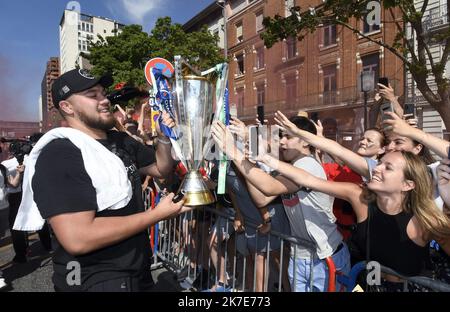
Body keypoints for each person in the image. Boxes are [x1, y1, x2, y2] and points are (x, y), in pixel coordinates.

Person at [13, 69, 189, 292]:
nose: (104, 100)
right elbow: (78, 238)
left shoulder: (121, 140)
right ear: (67, 107)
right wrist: (157, 215)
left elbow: (161, 169)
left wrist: (163, 137)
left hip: (137, 272)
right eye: (92, 95)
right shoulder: (60, 154)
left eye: (103, 93)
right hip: (94, 280)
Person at [212, 116, 351, 292]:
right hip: (300, 257)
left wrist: (233, 151)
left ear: (305, 142)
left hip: (325, 258)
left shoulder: (307, 165)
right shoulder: (290, 166)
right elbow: (261, 197)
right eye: (282, 136)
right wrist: (250, 158)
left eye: (289, 137)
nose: (283, 142)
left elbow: (268, 187)